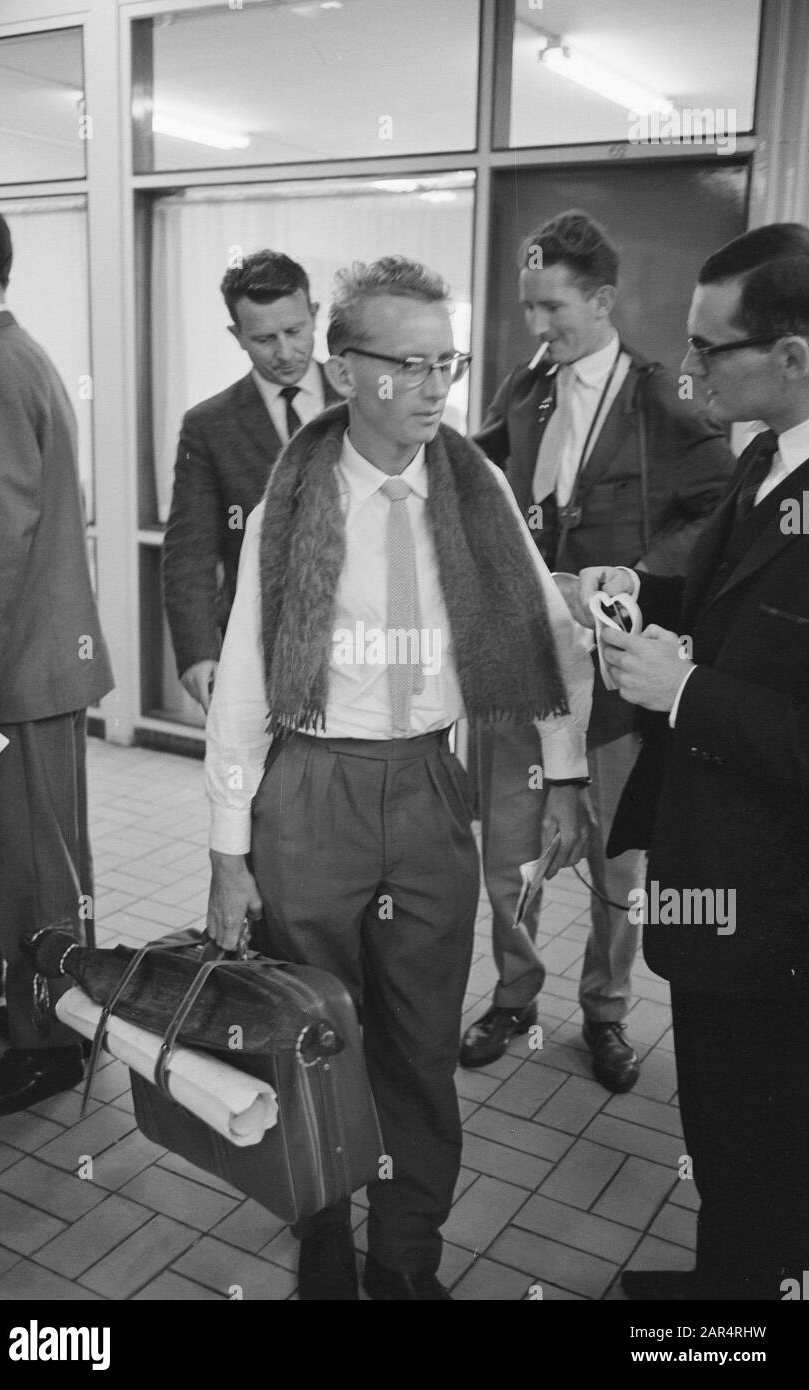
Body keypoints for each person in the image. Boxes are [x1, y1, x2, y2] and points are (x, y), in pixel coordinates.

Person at [204, 256, 594, 1300]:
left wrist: (562, 776)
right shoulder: (294, 492)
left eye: (446, 362)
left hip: (427, 789)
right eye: (408, 365)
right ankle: (321, 1227)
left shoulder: (473, 483)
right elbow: (245, 665)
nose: (434, 387)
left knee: (419, 1046)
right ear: (343, 372)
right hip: (307, 793)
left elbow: (542, 630)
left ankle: (404, 1258)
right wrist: (227, 848)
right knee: (314, 1041)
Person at [575, 222, 809, 1300]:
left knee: (770, 1148)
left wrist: (680, 691)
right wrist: (630, 584)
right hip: (718, 878)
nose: (688, 372)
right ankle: (729, 1284)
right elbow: (715, 593)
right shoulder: (766, 456)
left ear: (793, 354)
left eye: (711, 350)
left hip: (784, 911)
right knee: (721, 1131)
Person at [461, 210, 734, 1089]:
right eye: (528, 307)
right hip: (523, 665)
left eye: (551, 307)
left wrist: (634, 575)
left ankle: (605, 1013)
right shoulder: (524, 385)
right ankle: (512, 994)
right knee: (510, 850)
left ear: (603, 299)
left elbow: (714, 516)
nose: (536, 325)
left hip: (617, 672)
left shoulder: (666, 398)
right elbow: (480, 477)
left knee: (616, 858)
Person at [0, 196, 114, 1117]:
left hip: (12, 677)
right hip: (44, 662)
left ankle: (49, 1043)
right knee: (53, 861)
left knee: (31, 872)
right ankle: (55, 1013)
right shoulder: (19, 355)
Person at [163, 250, 340, 714]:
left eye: (295, 331)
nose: (284, 352)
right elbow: (189, 550)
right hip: (258, 644)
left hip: (360, 635)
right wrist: (198, 652)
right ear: (236, 335)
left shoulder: (362, 399)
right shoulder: (208, 425)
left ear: (315, 315)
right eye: (263, 338)